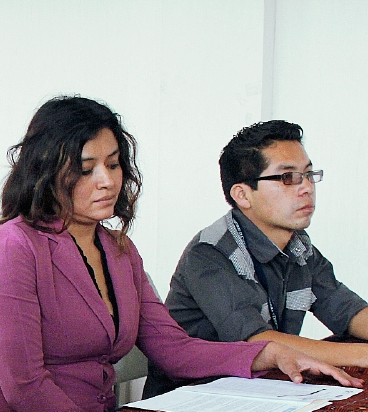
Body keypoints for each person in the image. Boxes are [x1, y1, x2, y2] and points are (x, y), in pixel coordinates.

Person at [0, 97, 357, 412]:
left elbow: (173, 348)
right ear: (47, 171)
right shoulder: (13, 247)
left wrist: (270, 354)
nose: (108, 181)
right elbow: (25, 386)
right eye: (86, 169)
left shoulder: (118, 249)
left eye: (114, 164)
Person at [148, 120, 368, 396]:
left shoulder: (299, 245)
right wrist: (361, 355)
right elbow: (259, 341)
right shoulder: (210, 253)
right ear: (242, 194)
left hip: (266, 387)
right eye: (288, 178)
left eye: (309, 174)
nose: (307, 188)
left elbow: (349, 311)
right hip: (193, 397)